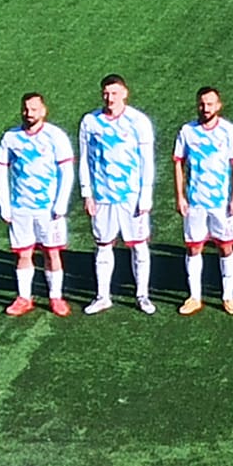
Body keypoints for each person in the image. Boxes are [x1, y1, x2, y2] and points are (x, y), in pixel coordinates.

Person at [77, 74, 155, 316]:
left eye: (114, 93)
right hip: (102, 196)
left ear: (125, 93)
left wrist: (146, 194)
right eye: (106, 93)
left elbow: (147, 161)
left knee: (139, 245)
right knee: (103, 245)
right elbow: (84, 159)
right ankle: (103, 296)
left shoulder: (138, 121)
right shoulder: (90, 121)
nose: (110, 98)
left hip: (131, 196)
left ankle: (142, 295)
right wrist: (87, 193)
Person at [0, 92, 75, 317]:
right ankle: (24, 298)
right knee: (23, 253)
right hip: (20, 207)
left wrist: (60, 204)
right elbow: (1, 172)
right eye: (25, 109)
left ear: (43, 110)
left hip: (48, 209)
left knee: (52, 253)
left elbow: (66, 172)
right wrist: (5, 204)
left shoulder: (55, 136)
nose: (29, 113)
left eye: (33, 109)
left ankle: (56, 297)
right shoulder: (11, 138)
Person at [173, 86, 233, 316]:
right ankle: (194, 297)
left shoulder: (228, 131)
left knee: (225, 246)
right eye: (202, 104)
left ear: (219, 105)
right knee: (194, 248)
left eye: (210, 104)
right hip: (195, 202)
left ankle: (228, 296)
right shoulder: (187, 131)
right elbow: (178, 163)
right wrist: (180, 196)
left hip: (221, 202)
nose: (206, 108)